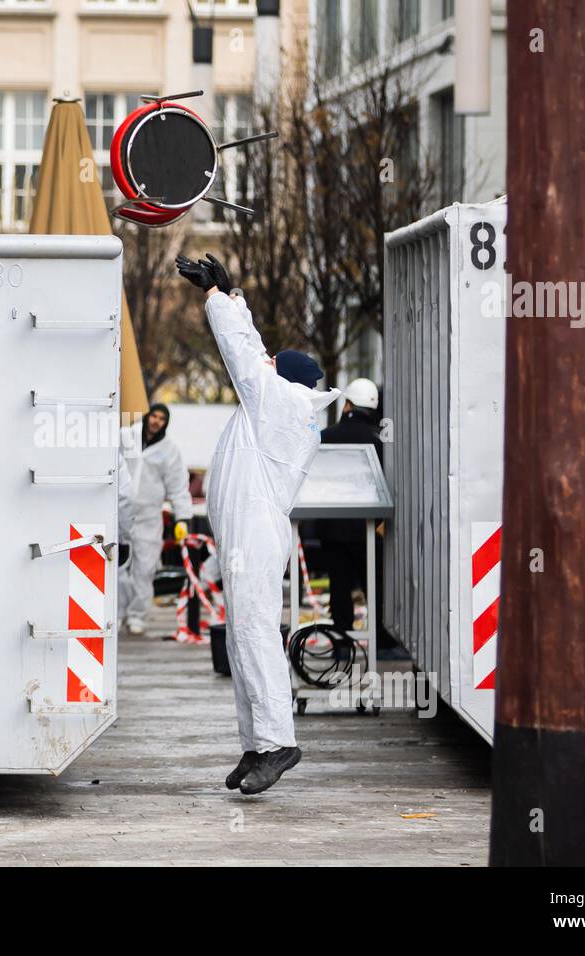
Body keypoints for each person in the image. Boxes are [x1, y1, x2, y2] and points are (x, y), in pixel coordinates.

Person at [176, 252, 339, 795]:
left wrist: (220, 299)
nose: (265, 366)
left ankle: (277, 743)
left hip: (255, 536)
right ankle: (257, 742)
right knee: (247, 637)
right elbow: (257, 354)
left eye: (274, 365)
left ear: (284, 377)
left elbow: (243, 354)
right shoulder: (283, 402)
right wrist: (234, 295)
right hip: (250, 535)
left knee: (255, 637)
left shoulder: (278, 403)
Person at [317, 379, 404, 658]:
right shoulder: (379, 442)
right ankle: (380, 641)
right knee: (374, 584)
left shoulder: (325, 436)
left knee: (339, 585)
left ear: (348, 405)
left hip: (331, 527)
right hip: (368, 527)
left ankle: (342, 641)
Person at [117, 403, 194, 636]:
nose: (156, 421)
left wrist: (183, 517)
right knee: (117, 567)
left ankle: (137, 615)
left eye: (162, 418)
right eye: (154, 416)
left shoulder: (169, 450)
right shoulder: (126, 436)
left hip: (149, 517)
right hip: (119, 513)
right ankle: (116, 613)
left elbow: (178, 485)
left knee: (145, 568)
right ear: (148, 416)